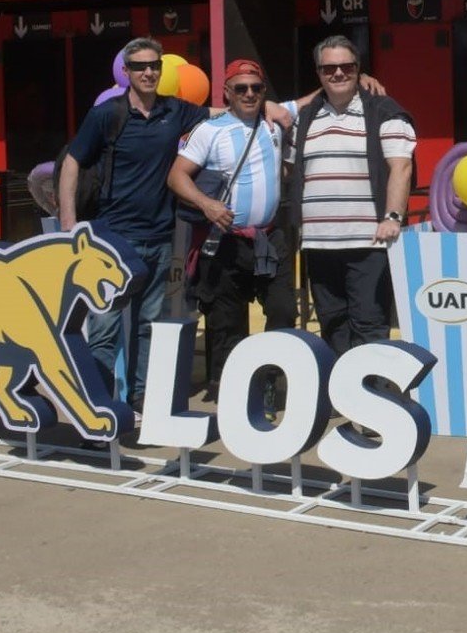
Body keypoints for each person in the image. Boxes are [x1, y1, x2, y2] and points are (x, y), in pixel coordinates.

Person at [58, 38, 211, 410]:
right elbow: (72, 162)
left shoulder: (175, 112)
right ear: (126, 72)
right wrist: (68, 222)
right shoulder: (107, 115)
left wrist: (273, 104)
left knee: (149, 325)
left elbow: (226, 112)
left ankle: (142, 401)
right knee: (105, 329)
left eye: (154, 66)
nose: (148, 72)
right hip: (112, 238)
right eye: (140, 67)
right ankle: (98, 405)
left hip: (160, 238)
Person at [167, 59, 296, 400]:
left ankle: (269, 380)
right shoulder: (210, 131)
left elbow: (316, 98)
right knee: (226, 321)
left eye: (256, 88)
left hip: (269, 237)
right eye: (241, 88)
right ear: (226, 92)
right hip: (225, 241)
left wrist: (365, 79)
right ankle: (230, 391)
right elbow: (177, 176)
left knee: (283, 311)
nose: (250, 94)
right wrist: (206, 204)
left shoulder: (273, 125)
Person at [283, 37, 416, 360]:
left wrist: (393, 217)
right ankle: (342, 397)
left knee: (369, 325)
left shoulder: (383, 111)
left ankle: (372, 399)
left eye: (347, 66)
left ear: (358, 70)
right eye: (330, 68)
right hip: (318, 244)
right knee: (332, 325)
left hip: (368, 243)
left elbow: (400, 166)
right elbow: (290, 171)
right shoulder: (304, 119)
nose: (338, 73)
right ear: (318, 73)